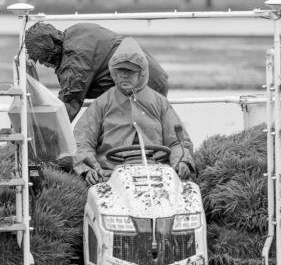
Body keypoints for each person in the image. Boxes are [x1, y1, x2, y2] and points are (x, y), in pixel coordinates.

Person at [72, 37, 195, 184]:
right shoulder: (101, 104)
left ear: (141, 73)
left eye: (130, 71)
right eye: (120, 70)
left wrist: (182, 162)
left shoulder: (160, 103)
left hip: (160, 174)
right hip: (111, 177)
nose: (124, 75)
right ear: (113, 72)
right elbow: (82, 142)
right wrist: (89, 169)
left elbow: (177, 142)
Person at [25, 21, 169, 122]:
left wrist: (45, 137)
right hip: (151, 75)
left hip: (143, 83)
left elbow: (69, 102)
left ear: (53, 48)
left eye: (44, 59)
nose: (44, 64)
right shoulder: (76, 32)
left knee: (135, 135)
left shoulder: (75, 59)